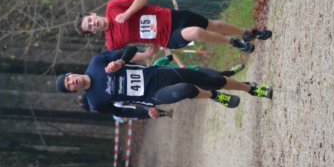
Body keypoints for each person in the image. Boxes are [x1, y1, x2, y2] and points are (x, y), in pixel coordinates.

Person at [55, 46, 273, 114]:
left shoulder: (97, 62)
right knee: (186, 89)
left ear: (71, 74)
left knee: (212, 78)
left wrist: (120, 62)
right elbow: (122, 112)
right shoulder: (95, 102)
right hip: (152, 95)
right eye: (69, 86)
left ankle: (250, 89)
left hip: (158, 75)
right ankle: (214, 96)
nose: (72, 82)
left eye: (69, 79)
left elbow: (130, 50)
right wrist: (148, 113)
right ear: (74, 91)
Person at [76, 0, 271, 55]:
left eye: (90, 20)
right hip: (167, 37)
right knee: (196, 32)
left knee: (211, 24)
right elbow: (127, 58)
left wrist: (127, 14)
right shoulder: (112, 42)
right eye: (90, 27)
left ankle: (247, 33)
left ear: (93, 14)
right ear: (92, 33)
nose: (93, 24)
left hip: (172, 17)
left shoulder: (113, 7)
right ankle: (234, 42)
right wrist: (146, 54)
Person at [152, 48, 245, 76]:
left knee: (218, 75)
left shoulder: (157, 64)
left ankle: (232, 71)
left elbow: (172, 56)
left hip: (195, 70)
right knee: (217, 85)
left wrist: (180, 64)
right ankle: (245, 85)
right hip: (191, 82)